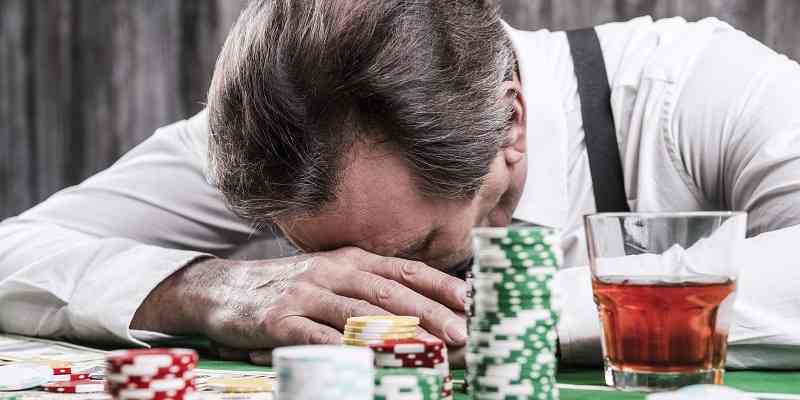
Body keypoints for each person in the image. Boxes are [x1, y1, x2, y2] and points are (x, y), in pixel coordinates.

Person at [1, 0, 799, 368]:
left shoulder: (697, 88)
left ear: (510, 126)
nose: (371, 299)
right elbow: (13, 253)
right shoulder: (277, 134)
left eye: (414, 252)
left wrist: (503, 318)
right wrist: (209, 288)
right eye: (320, 254)